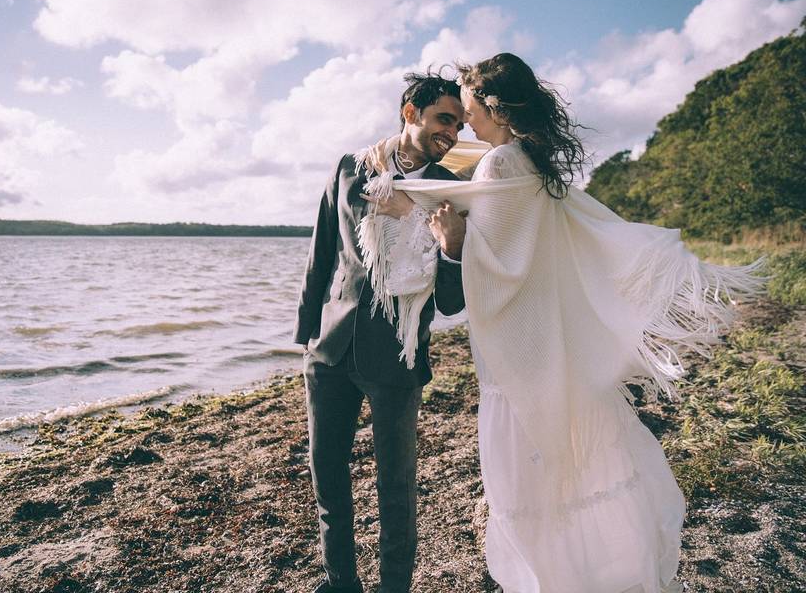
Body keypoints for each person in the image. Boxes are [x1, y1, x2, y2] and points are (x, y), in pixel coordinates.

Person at [362, 53, 763, 593]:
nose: (464, 121)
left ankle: (556, 579)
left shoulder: (498, 164)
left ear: (492, 104)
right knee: (580, 473)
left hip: (516, 353)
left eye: (469, 105)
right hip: (549, 341)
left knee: (530, 486)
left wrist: (452, 243)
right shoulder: (527, 160)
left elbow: (500, 264)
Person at [293, 70, 468, 593]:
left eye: (458, 125)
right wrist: (307, 332)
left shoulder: (450, 189)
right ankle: (339, 581)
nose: (452, 134)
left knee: (395, 487)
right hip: (330, 349)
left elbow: (452, 299)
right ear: (410, 113)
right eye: (443, 119)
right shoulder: (350, 168)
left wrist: (452, 248)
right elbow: (322, 252)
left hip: (398, 352)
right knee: (327, 472)